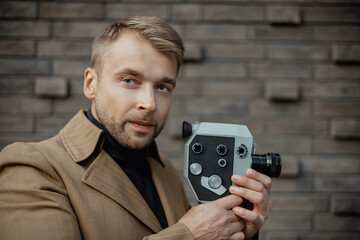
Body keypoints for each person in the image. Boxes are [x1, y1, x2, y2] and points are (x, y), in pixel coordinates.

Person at [0, 16, 272, 240]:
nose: (149, 103)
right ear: (90, 84)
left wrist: (240, 232)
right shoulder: (32, 166)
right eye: (130, 80)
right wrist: (187, 236)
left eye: (163, 87)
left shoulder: (165, 171)